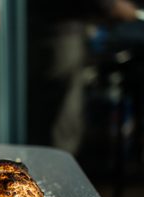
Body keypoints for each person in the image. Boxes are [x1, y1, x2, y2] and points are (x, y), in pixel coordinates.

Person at [27, 0, 138, 155]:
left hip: (45, 32)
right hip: (56, 34)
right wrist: (111, 5)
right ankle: (56, 174)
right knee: (60, 120)